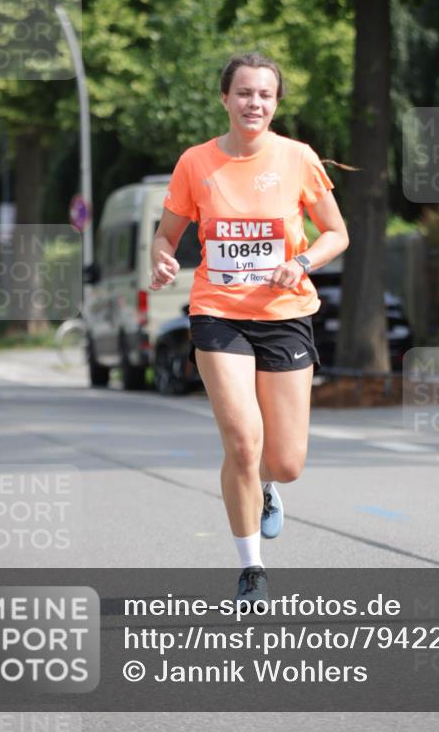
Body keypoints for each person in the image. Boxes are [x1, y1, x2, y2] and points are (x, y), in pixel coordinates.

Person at [150, 52, 349, 606]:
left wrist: (301, 262)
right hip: (218, 314)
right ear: (225, 99)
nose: (253, 103)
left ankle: (265, 485)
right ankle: (251, 568)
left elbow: (336, 233)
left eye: (264, 94)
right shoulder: (196, 162)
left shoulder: (298, 158)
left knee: (285, 462)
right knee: (241, 439)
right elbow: (166, 236)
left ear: (276, 103)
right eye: (243, 93)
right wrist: (161, 257)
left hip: (285, 314)